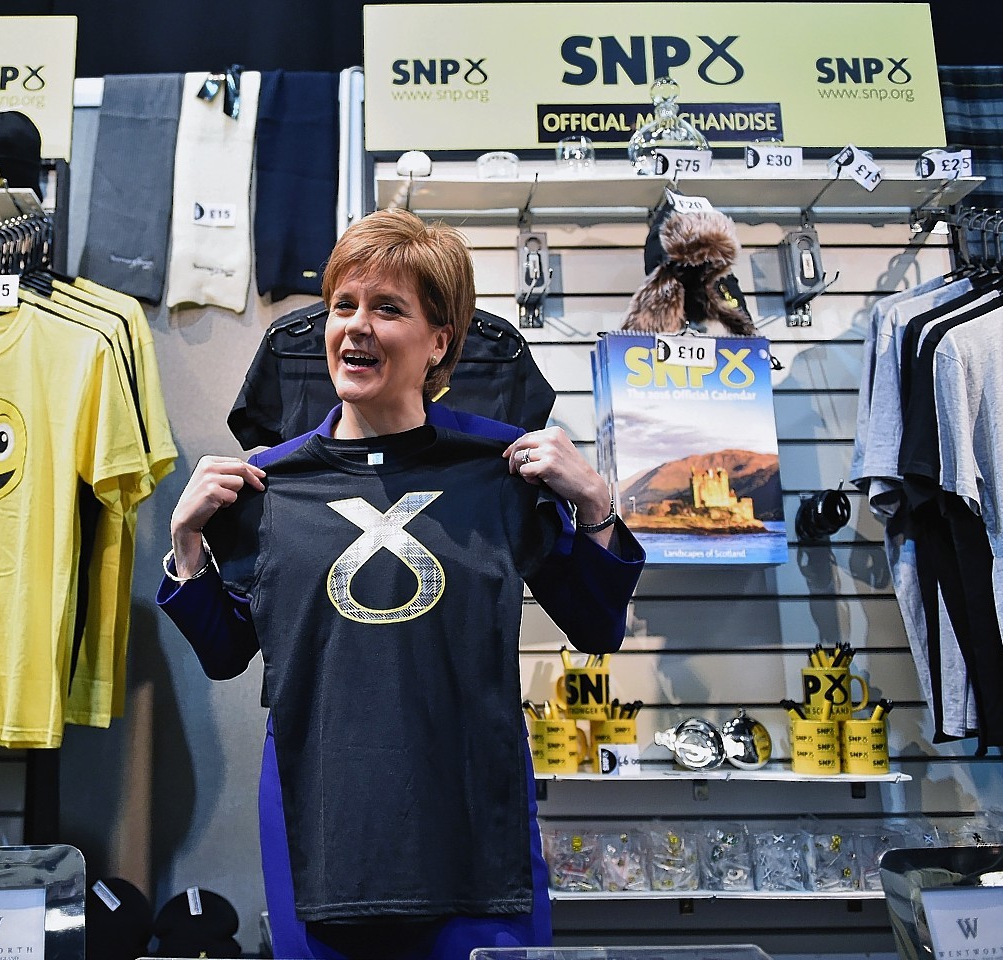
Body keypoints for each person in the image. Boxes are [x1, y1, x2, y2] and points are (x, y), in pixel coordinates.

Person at [157, 208, 644, 959]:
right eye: (343, 306)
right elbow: (227, 654)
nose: (355, 327)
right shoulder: (270, 486)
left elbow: (598, 627)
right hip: (322, 815)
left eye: (388, 309)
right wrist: (188, 543)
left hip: (473, 821)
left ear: (440, 339)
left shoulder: (499, 472)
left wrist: (596, 505)